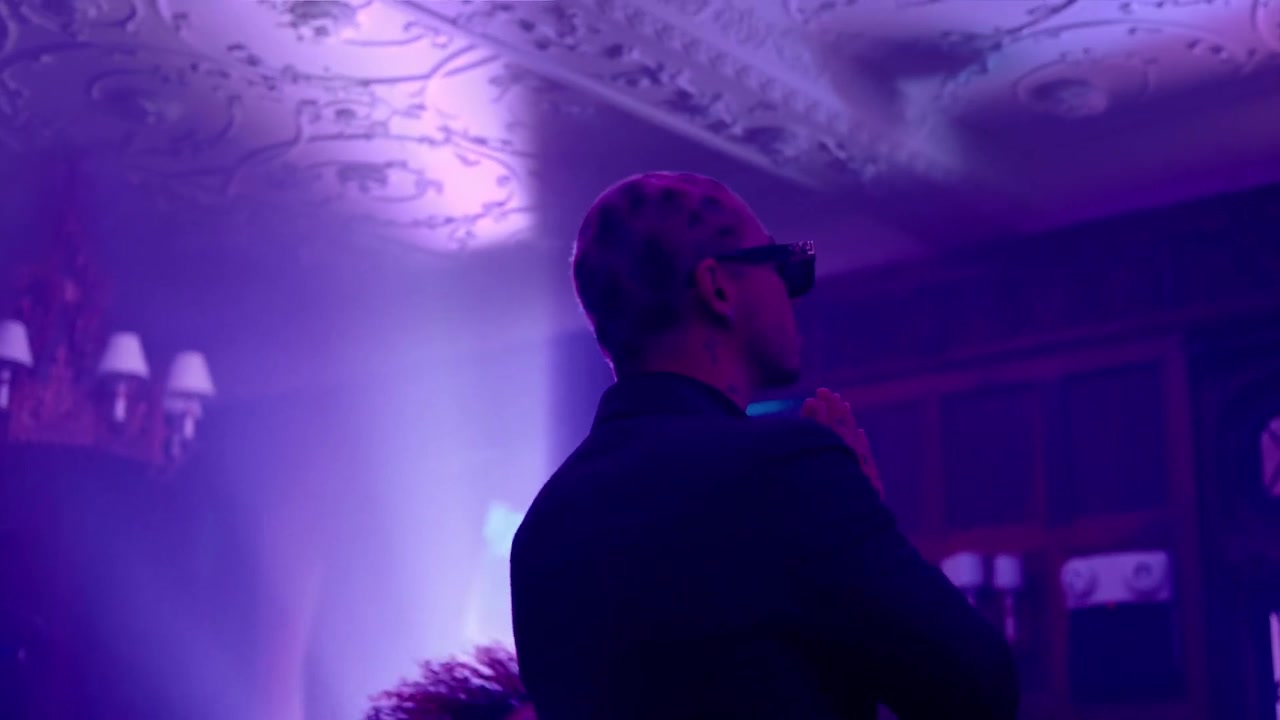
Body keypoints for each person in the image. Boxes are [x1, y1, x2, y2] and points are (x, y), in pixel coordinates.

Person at [509, 172, 1018, 720]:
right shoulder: (785, 470)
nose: (794, 291)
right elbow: (978, 691)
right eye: (780, 265)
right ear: (718, 289)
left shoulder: (541, 528)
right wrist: (870, 519)